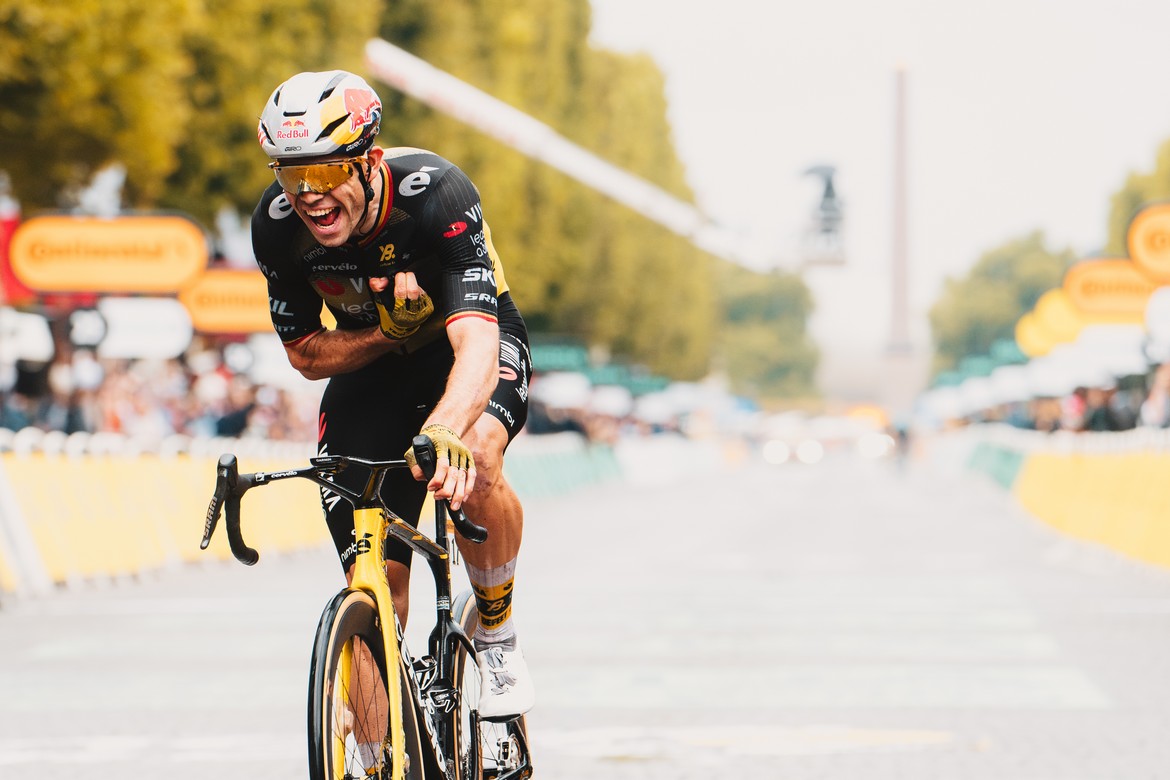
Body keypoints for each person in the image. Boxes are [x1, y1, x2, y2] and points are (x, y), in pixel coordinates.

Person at [250, 69, 534, 719]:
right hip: (375, 361)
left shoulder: (435, 194)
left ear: (369, 162)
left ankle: (496, 636)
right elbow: (305, 354)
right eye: (291, 177)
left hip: (465, 347)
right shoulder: (275, 226)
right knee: (373, 585)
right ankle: (380, 746)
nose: (309, 196)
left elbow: (476, 343)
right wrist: (385, 332)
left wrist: (446, 427)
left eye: (325, 173)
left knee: (477, 453)